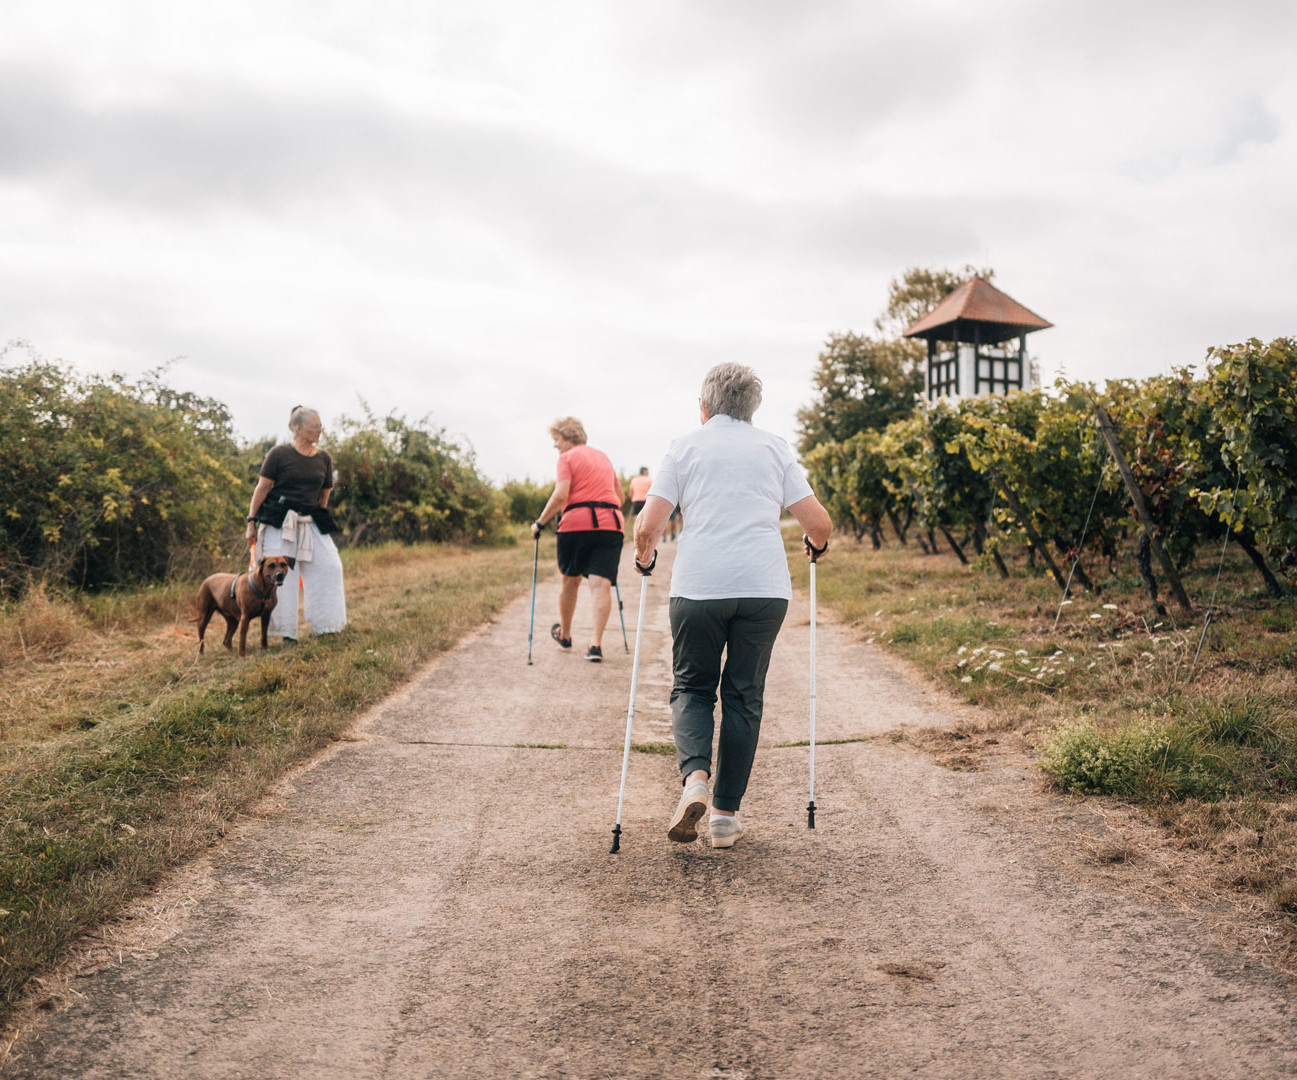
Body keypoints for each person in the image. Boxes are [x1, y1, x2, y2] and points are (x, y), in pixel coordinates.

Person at [634, 363, 831, 849]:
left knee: (692, 687)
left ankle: (695, 779)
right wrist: (817, 546)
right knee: (744, 696)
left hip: (699, 587)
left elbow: (647, 526)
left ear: (704, 406)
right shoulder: (774, 447)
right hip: (764, 590)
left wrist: (645, 558)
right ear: (752, 408)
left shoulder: (684, 447)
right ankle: (724, 817)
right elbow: (819, 524)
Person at [246, 406, 347, 643]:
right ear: (297, 428)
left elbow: (325, 492)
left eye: (321, 425)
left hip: (311, 520)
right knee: (282, 575)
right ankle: (285, 632)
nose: (320, 430)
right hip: (280, 521)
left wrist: (318, 515)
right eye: (315, 426)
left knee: (330, 567)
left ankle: (327, 626)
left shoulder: (324, 458)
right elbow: (262, 489)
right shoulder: (279, 454)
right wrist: (251, 522)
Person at [532, 417, 625, 663]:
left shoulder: (567, 458)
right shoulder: (603, 457)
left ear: (569, 437)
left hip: (577, 523)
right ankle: (596, 645)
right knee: (601, 584)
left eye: (557, 440)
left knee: (570, 581)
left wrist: (540, 522)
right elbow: (620, 496)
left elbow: (561, 494)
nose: (556, 446)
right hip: (611, 524)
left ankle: (566, 634)